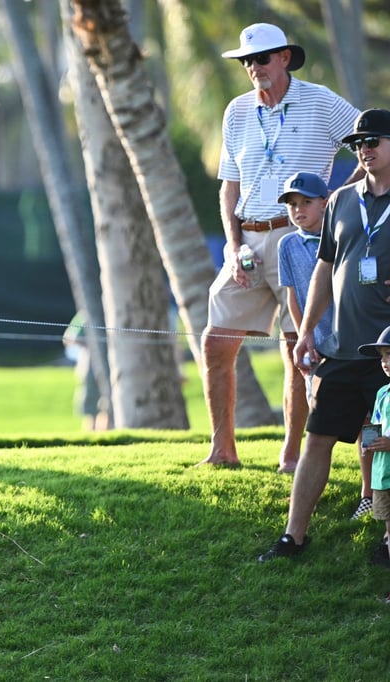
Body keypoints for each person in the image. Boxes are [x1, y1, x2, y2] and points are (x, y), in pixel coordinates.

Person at [200, 22, 361, 471]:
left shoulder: (321, 101)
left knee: (297, 348)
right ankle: (222, 451)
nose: (254, 68)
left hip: (303, 239)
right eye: (247, 61)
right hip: (247, 239)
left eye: (263, 58)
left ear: (285, 58)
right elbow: (228, 187)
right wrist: (233, 246)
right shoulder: (236, 111)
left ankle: (292, 456)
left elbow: (372, 146)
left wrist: (335, 200)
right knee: (216, 341)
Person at [258, 108, 390, 562]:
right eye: (358, 144)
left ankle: (389, 539)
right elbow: (324, 268)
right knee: (316, 438)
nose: (364, 150)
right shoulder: (341, 200)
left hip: (388, 354)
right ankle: (294, 537)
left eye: (373, 141)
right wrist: (307, 330)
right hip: (341, 349)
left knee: (384, 441)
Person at [277, 172, 373, 517]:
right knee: (321, 427)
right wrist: (305, 334)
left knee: (368, 423)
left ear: (326, 203)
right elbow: (293, 298)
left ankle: (368, 494)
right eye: (292, 205)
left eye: (306, 202)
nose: (298, 210)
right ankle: (304, 515)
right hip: (316, 347)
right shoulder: (286, 245)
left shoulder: (350, 231)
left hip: (354, 342)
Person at [358, 326, 390, 568]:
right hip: (382, 475)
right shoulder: (382, 393)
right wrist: (368, 445)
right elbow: (376, 424)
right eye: (382, 356)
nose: (385, 362)